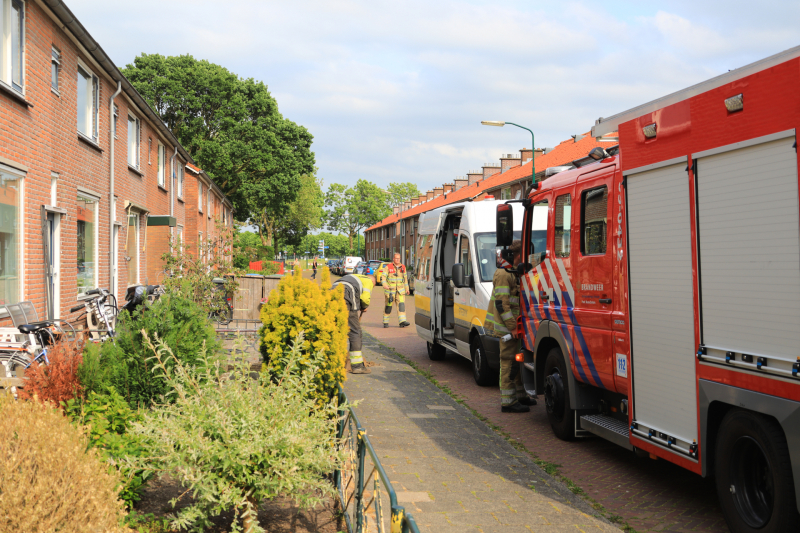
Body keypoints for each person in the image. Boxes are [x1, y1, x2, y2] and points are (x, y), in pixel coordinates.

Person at [484, 240, 535, 413]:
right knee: (508, 362)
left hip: (516, 326)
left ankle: (520, 395)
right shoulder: (504, 274)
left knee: (517, 361)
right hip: (508, 327)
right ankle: (508, 402)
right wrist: (513, 327)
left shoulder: (513, 272)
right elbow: (502, 304)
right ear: (519, 255)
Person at [332, 273, 374, 374]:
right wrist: (364, 306)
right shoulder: (369, 281)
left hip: (332, 293)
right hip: (346, 295)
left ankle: (333, 361)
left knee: (336, 329)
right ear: (373, 282)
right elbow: (365, 298)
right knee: (355, 331)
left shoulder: (353, 276)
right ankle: (357, 366)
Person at [382, 253, 411, 328]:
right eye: (396, 258)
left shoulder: (403, 267)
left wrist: (407, 289)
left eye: (399, 258)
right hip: (390, 292)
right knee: (388, 307)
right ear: (393, 259)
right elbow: (383, 277)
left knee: (401, 306)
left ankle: (402, 322)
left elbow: (405, 280)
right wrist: (385, 285)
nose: (397, 260)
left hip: (400, 291)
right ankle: (385, 322)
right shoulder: (388, 267)